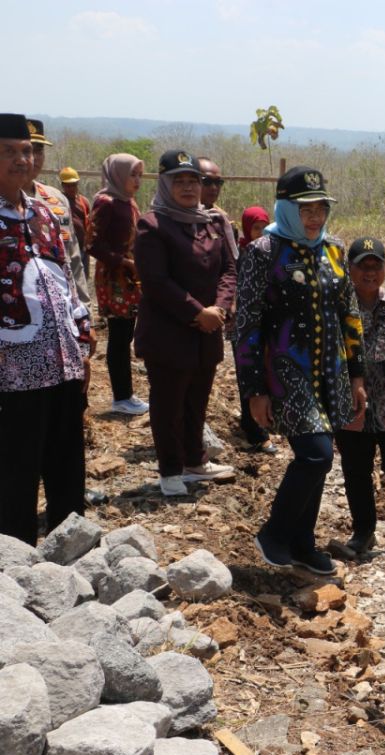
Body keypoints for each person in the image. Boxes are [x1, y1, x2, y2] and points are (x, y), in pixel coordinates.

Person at [235, 166, 365, 574]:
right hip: (286, 374)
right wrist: (254, 389)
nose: (314, 216)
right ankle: (274, 533)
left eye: (321, 207)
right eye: (305, 208)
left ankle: (303, 544)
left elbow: (350, 312)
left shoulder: (334, 250)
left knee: (322, 457)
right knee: (315, 453)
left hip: (331, 373)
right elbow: (247, 322)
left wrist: (357, 374)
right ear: (287, 208)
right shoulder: (264, 252)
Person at [0, 113, 92, 545]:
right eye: (8, 152)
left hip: (62, 361)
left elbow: (66, 280)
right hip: (12, 371)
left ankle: (71, 548)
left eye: (26, 151)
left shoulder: (42, 210)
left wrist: (83, 339)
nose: (22, 160)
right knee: (16, 465)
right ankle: (15, 561)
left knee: (66, 460)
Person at [133, 150, 238, 497]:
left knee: (197, 399)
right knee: (168, 404)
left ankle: (196, 461)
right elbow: (156, 282)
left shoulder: (211, 221)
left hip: (207, 332)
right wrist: (198, 312)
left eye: (193, 180)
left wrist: (219, 309)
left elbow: (228, 269)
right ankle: (170, 470)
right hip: (169, 333)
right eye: (179, 180)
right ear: (165, 184)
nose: (189, 187)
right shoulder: (152, 225)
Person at [329, 237, 385, 559]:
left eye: (375, 265)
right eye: (361, 266)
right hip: (352, 409)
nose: (369, 272)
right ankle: (363, 531)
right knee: (356, 472)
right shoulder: (336, 309)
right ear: (348, 269)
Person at [89, 152, 148, 415]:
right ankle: (121, 397)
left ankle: (126, 394)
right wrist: (122, 262)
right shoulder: (106, 203)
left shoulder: (129, 202)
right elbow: (92, 244)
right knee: (119, 336)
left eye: (139, 175)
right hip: (115, 278)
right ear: (118, 175)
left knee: (126, 333)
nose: (136, 181)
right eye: (131, 175)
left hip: (130, 276)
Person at [24, 120, 89, 306]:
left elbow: (73, 260)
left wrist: (85, 309)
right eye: (26, 149)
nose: (33, 157)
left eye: (38, 150)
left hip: (60, 308)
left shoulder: (56, 200)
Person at [234, 205, 276, 453]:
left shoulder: (271, 253)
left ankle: (263, 422)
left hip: (266, 325)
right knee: (248, 375)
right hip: (244, 327)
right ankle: (256, 433)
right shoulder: (242, 254)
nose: (260, 233)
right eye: (255, 228)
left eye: (264, 227)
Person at [59, 167, 91, 285]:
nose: (71, 188)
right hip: (67, 248)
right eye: (68, 185)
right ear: (62, 185)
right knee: (70, 277)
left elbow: (87, 222)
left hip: (83, 247)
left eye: (73, 185)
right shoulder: (59, 202)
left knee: (84, 277)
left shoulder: (83, 201)